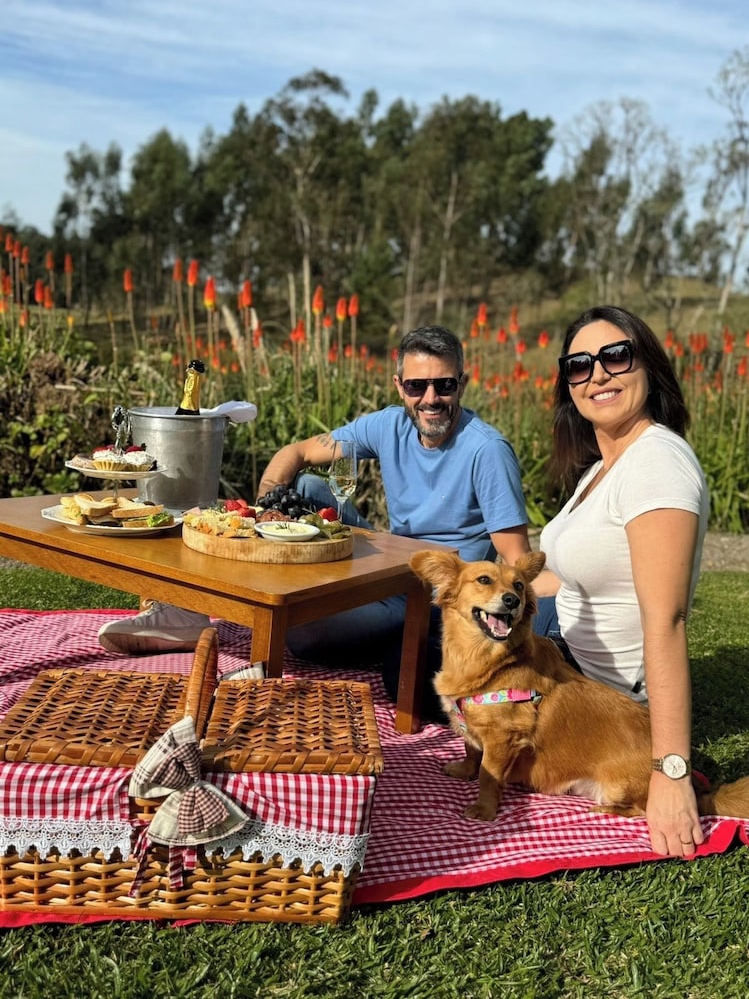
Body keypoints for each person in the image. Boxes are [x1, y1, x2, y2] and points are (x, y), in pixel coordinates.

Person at [98, 325, 557, 713]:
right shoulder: (389, 425)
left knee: (298, 629)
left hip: (434, 592)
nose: (431, 398)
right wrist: (264, 512)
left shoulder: (486, 451)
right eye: (417, 386)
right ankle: (192, 609)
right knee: (308, 489)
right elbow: (295, 453)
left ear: (463, 382)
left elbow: (515, 566)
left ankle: (372, 633)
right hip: (391, 564)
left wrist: (578, 596)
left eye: (444, 385)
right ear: (400, 386)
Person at [539, 305, 709, 860]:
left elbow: (668, 619)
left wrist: (670, 770)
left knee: (411, 661)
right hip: (566, 650)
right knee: (431, 631)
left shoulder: (656, 462)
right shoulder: (602, 466)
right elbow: (563, 579)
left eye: (615, 356)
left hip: (606, 697)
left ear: (648, 366)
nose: (598, 375)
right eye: (579, 365)